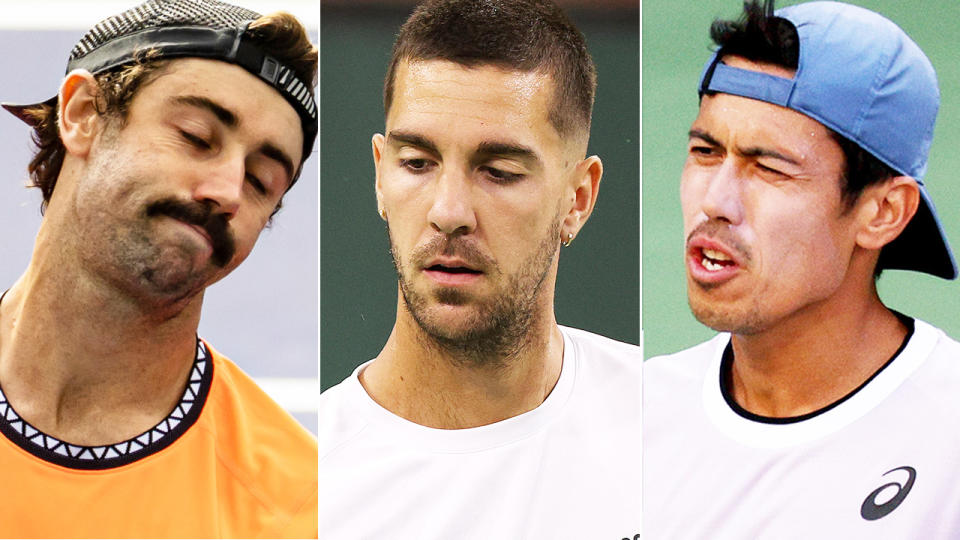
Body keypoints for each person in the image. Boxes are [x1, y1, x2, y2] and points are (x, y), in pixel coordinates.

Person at [318, 0, 641, 538]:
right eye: (416, 163)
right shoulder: (300, 486)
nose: (448, 212)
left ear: (578, 198)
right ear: (380, 176)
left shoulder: (666, 430)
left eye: (498, 171)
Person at [0, 0, 318, 537]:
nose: (225, 193)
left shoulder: (301, 512)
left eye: (260, 180)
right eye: (196, 137)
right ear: (82, 114)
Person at [644, 1, 960, 537]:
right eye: (704, 150)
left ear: (883, 212)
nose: (715, 201)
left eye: (769, 168)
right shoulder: (627, 420)